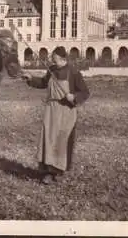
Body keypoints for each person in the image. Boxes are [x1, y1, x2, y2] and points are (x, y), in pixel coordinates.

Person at [21, 46, 90, 184]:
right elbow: (43, 83)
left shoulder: (73, 72)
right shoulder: (51, 70)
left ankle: (56, 171)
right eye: (53, 58)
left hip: (66, 110)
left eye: (55, 58)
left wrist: (74, 97)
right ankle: (47, 170)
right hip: (51, 109)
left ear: (62, 58)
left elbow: (85, 92)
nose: (53, 60)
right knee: (48, 138)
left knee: (61, 140)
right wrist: (30, 79)